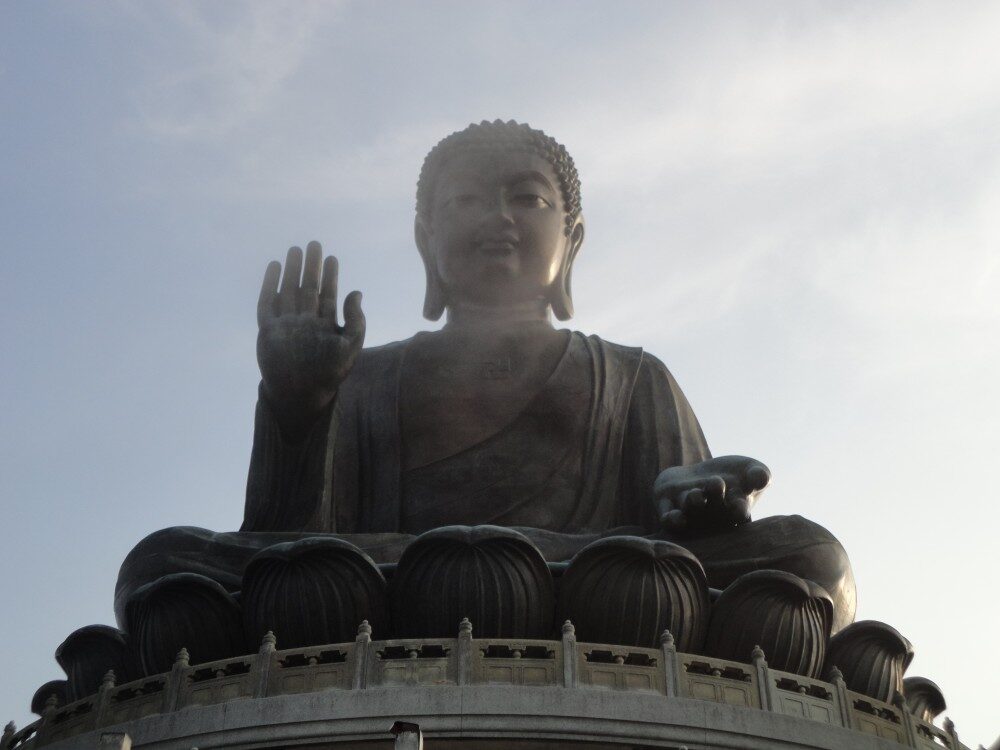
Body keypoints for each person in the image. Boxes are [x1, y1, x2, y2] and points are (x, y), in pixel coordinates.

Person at [117, 120, 855, 632]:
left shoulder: (632, 377)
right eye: (465, 200)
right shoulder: (364, 377)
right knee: (162, 563)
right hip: (403, 585)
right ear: (426, 239)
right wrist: (298, 405)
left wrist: (699, 507)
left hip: (600, 583)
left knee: (812, 558)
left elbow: (686, 546)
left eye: (527, 197)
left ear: (572, 239)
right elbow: (287, 543)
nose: (496, 217)